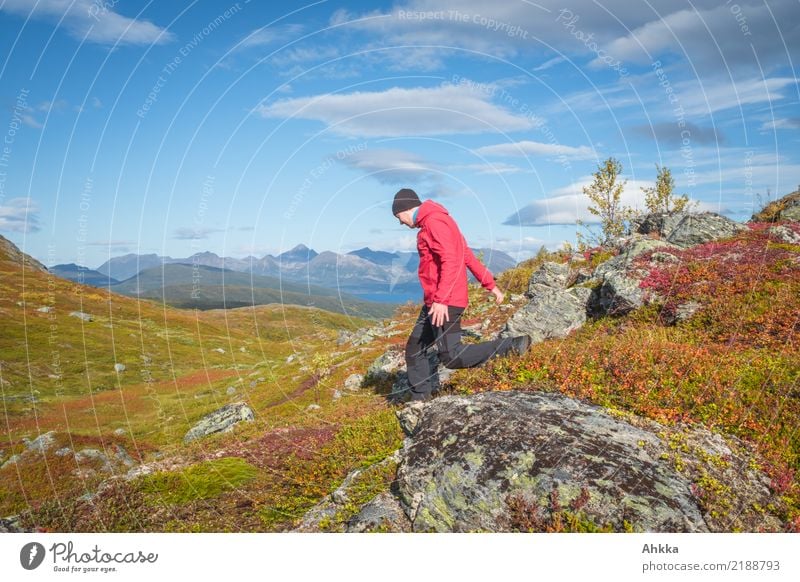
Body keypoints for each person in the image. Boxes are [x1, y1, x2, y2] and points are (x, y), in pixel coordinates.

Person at [392, 188, 532, 402]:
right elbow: (466, 255)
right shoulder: (438, 222)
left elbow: (452, 260)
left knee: (452, 356)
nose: (400, 222)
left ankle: (511, 347)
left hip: (445, 302)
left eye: (398, 217)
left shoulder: (435, 223)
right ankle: (419, 400)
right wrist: (490, 284)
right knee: (414, 348)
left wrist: (441, 300)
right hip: (436, 301)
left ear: (407, 208)